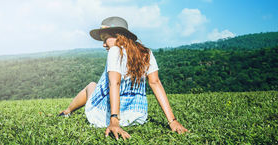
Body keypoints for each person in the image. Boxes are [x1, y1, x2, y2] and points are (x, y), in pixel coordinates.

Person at [58, 16, 188, 140]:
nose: (103, 44)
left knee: (91, 85)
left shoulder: (115, 51)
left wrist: (114, 120)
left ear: (118, 36)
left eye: (105, 39)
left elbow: (115, 84)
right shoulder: (146, 53)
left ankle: (67, 111)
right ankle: (67, 111)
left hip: (107, 115)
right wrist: (173, 121)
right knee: (94, 86)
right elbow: (155, 83)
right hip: (137, 116)